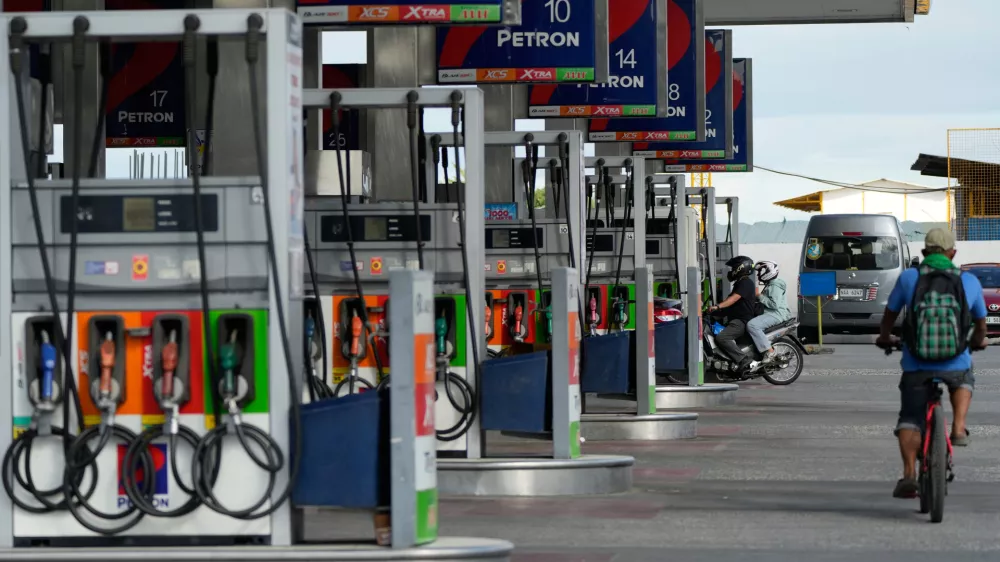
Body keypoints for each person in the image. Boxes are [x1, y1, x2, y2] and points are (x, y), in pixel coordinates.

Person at [876, 228, 988, 500]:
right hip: (955, 360)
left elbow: (889, 315)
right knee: (964, 377)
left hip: (917, 363)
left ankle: (909, 476)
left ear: (925, 253)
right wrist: (977, 341)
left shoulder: (908, 278)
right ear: (953, 253)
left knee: (910, 418)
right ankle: (959, 427)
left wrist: (884, 337)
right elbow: (981, 325)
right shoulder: (969, 281)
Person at [708, 255, 758, 371]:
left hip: (741, 321)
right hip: (735, 319)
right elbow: (731, 306)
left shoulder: (745, 283)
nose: (731, 272)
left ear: (740, 268)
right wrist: (714, 313)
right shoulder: (739, 283)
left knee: (722, 338)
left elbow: (733, 299)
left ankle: (743, 359)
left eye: (733, 269)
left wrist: (717, 306)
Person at [746, 260, 791, 366]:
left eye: (760, 271)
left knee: (752, 325)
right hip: (771, 313)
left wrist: (759, 296)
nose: (758, 274)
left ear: (768, 271)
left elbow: (774, 304)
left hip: (776, 314)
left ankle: (770, 352)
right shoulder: (771, 284)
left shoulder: (775, 285)